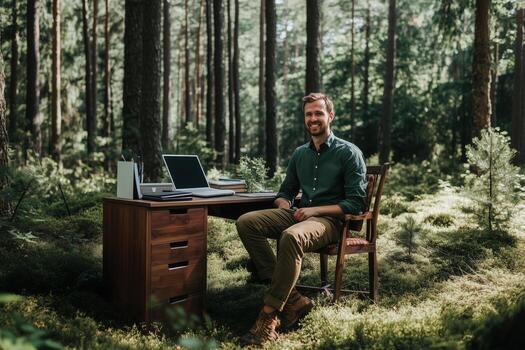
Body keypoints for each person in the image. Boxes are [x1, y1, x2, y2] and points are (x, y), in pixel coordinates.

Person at [236, 92, 368, 345]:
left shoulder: (348, 153)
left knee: (291, 236)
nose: (313, 118)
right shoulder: (300, 154)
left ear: (330, 116)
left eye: (318, 113)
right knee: (247, 222)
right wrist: (284, 205)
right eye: (309, 114)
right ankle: (294, 299)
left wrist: (316, 211)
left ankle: (269, 316)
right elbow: (285, 191)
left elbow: (355, 203)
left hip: (332, 223)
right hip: (300, 215)